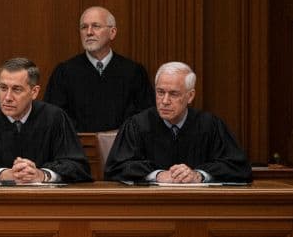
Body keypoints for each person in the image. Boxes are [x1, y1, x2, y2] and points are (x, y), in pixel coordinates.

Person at [0, 57, 91, 183]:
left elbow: (77, 166)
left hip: (43, 201)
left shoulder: (55, 118)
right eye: (3, 88)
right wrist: (3, 175)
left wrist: (42, 175)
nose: (8, 97)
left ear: (34, 92)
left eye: (16, 89)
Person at [103, 62, 251, 183]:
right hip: (150, 204)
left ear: (190, 96)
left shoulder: (210, 125)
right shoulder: (137, 125)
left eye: (173, 94)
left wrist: (198, 175)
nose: (165, 101)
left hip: (198, 204)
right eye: (160, 92)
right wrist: (158, 175)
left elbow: (239, 167)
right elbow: (115, 169)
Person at [43, 6, 153, 132]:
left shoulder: (134, 72)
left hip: (124, 143)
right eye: (84, 27)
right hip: (76, 143)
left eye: (96, 26)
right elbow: (54, 119)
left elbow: (145, 117)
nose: (89, 32)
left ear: (112, 32)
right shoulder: (64, 72)